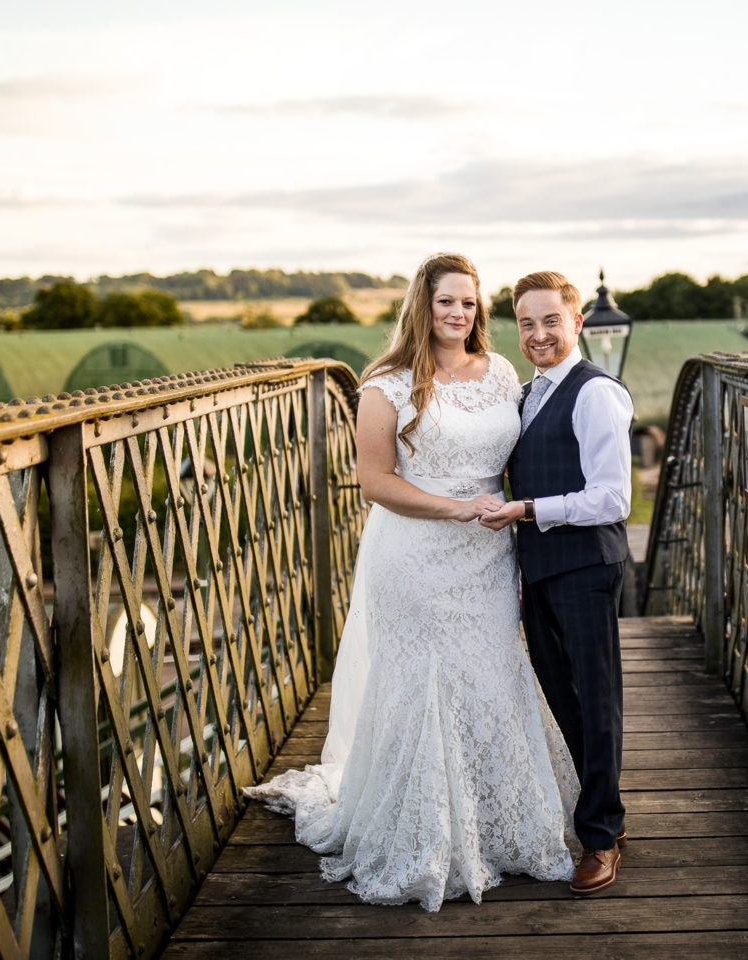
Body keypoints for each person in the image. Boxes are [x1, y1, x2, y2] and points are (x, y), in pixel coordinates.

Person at [244, 253, 577, 911]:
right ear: (421, 305)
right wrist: (458, 510)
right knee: (423, 683)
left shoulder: (503, 372)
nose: (458, 314)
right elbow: (376, 482)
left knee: (489, 674)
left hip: (487, 557)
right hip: (416, 554)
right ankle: (423, 837)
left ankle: (497, 830)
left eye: (469, 303)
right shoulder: (386, 384)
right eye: (446, 301)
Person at [479, 270, 633, 895]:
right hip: (538, 565)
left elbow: (613, 497)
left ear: (575, 322)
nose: (538, 334)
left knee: (596, 702)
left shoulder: (596, 394)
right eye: (526, 323)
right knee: (561, 694)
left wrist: (530, 509)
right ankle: (604, 808)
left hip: (586, 565)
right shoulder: (526, 393)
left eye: (550, 320)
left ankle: (600, 835)